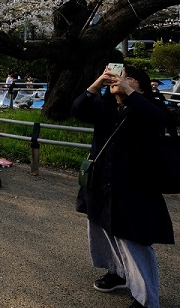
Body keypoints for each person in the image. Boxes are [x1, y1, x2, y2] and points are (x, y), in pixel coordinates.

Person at [72, 65, 174, 308]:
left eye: (126, 77)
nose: (118, 80)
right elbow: (78, 109)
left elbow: (163, 120)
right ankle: (117, 272)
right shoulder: (106, 107)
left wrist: (130, 93)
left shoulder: (148, 107)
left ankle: (147, 298)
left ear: (138, 83)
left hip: (135, 187)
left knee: (134, 239)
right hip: (101, 182)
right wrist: (97, 83)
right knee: (102, 229)